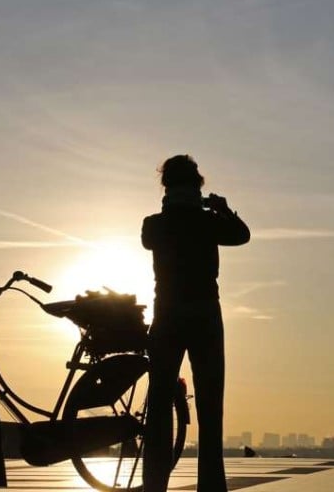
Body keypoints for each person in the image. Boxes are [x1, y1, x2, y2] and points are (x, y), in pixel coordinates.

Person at [141, 154, 250, 492]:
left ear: (166, 186)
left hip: (167, 315)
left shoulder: (154, 224)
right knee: (209, 407)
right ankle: (211, 486)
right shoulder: (208, 222)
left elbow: (151, 240)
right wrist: (222, 209)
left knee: (159, 407)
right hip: (205, 314)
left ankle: (154, 485)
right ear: (197, 185)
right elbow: (242, 235)